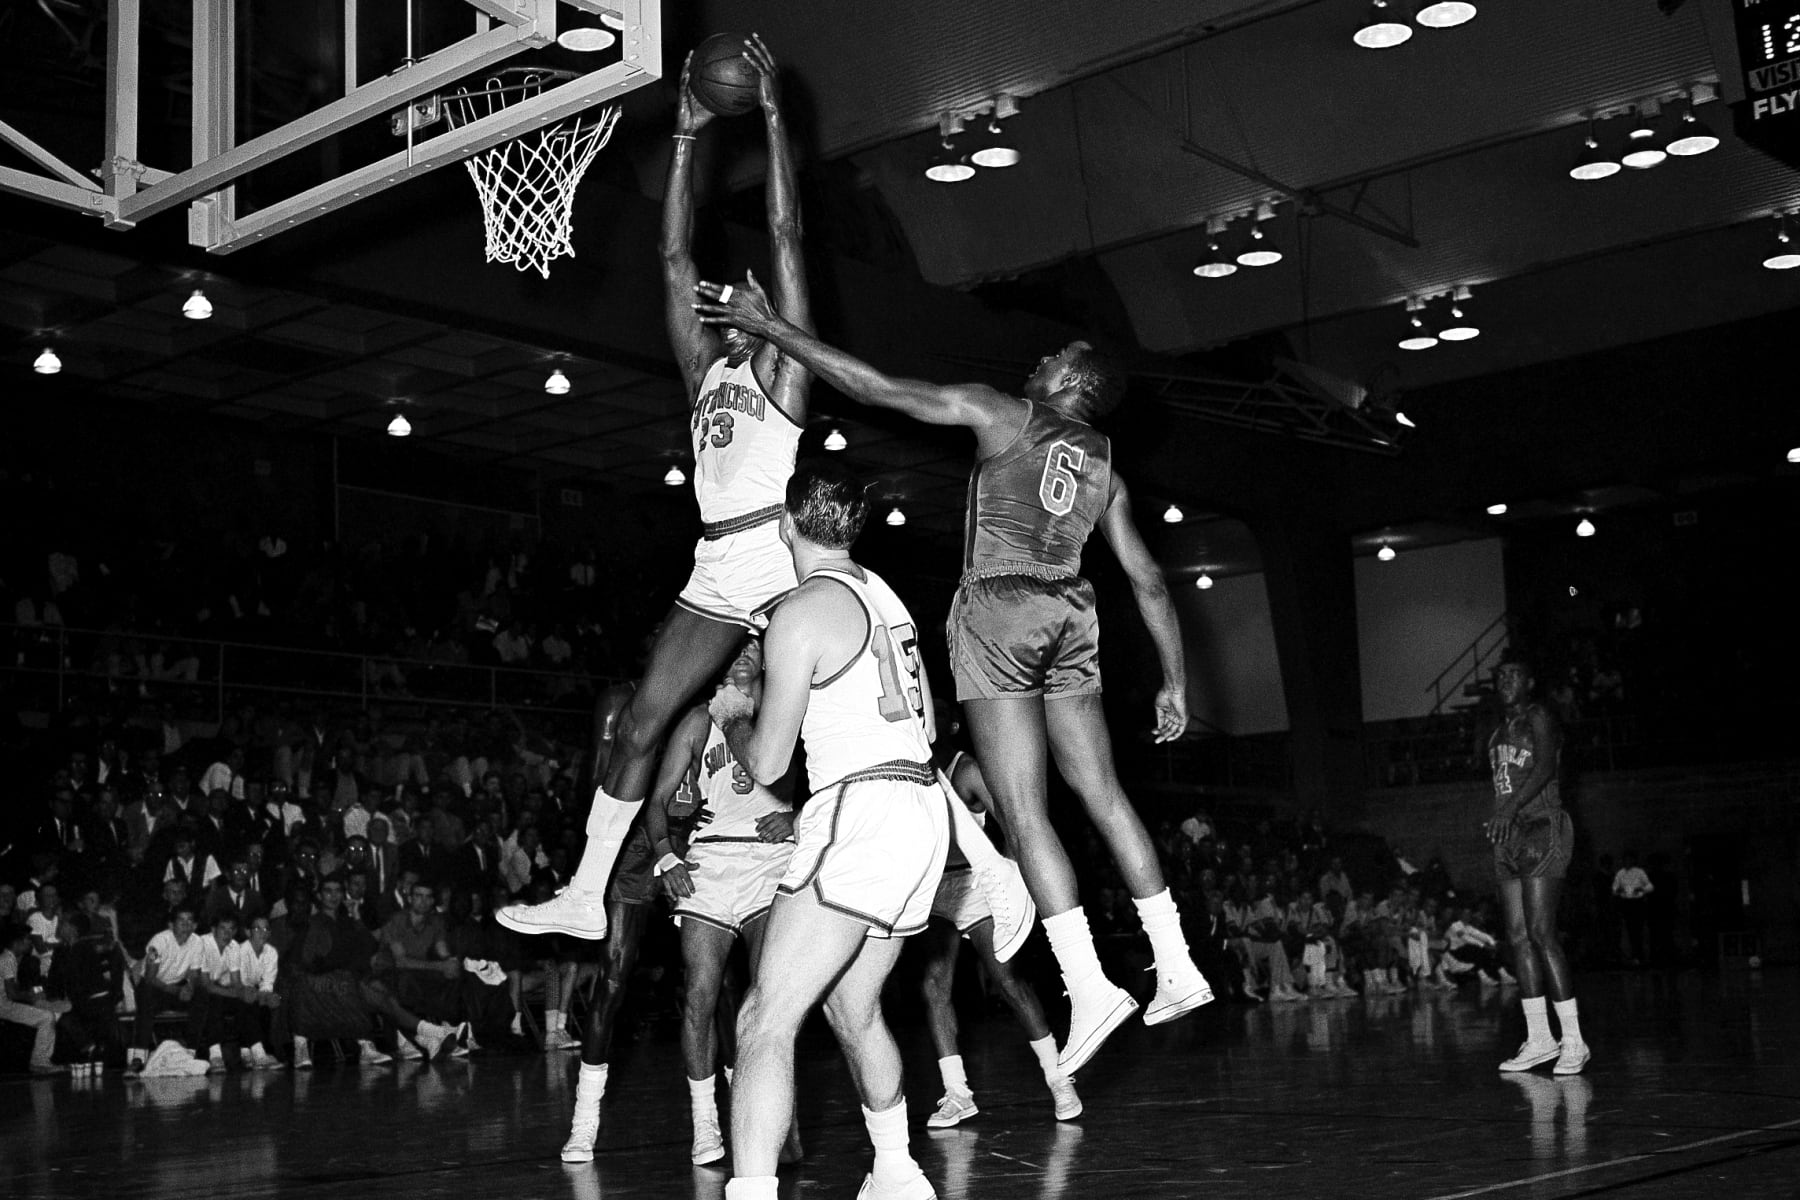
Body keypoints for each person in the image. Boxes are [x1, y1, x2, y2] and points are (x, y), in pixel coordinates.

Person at [694, 284, 1212, 1073]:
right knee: (1104, 796)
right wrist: (1175, 679)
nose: (1040, 360)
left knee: (1023, 809)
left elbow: (878, 388)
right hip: (1072, 609)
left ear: (1075, 383)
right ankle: (1174, 964)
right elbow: (1145, 580)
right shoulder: (1107, 469)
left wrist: (773, 329)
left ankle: (1089, 984)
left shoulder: (1003, 411)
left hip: (1000, 606)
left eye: (1056, 358)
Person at [500, 34, 813, 946]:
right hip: (716, 560)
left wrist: (774, 120)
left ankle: (975, 862)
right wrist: (684, 135)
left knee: (835, 740)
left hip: (775, 558)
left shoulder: (786, 374)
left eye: (763, 293)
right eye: (744, 289)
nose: (747, 284)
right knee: (639, 721)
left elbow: (789, 235)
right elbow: (674, 260)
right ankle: (584, 891)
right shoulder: (709, 374)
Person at [710, 461, 948, 1200]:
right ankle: (899, 1172)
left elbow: (772, 764)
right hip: (921, 809)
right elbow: (931, 724)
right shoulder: (889, 598)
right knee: (852, 1005)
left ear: (786, 526)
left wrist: (735, 718)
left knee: (762, 1019)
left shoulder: (801, 610)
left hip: (863, 811)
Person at [642, 638, 801, 1165]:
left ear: (768, 660)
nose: (743, 652)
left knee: (768, 998)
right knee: (699, 994)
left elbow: (833, 777)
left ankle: (780, 1122)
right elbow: (658, 799)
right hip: (709, 863)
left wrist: (799, 817)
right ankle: (705, 1124)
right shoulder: (696, 721)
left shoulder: (789, 707)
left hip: (769, 860)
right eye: (736, 644)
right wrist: (666, 856)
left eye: (755, 646)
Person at [920, 751, 1081, 1128]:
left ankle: (1057, 1077)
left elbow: (1014, 823)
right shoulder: (908, 763)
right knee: (933, 986)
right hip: (932, 885)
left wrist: (1010, 878)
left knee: (1008, 982)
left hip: (976, 883)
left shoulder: (966, 769)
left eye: (939, 711)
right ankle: (957, 1093)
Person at [1486, 657, 1589, 1075]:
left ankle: (1575, 1041)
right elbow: (1504, 785)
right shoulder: (1495, 736)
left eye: (1513, 674)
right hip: (1509, 835)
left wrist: (1508, 809)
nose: (1504, 681)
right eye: (1499, 676)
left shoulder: (1539, 716)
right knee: (1517, 936)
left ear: (1529, 681)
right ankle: (1540, 1038)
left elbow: (1546, 768)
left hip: (1542, 827)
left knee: (1543, 932)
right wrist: (1499, 816)